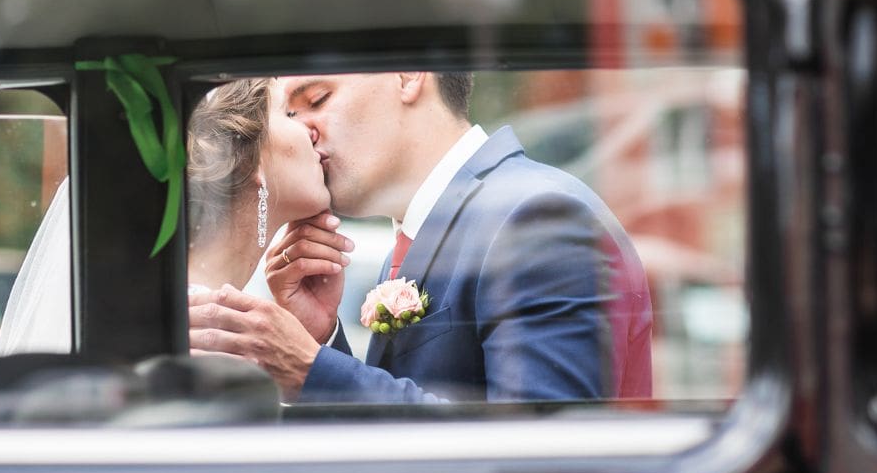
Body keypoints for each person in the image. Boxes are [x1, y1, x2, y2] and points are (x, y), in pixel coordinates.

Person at [189, 71, 653, 402]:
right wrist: (325, 340)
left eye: (317, 99)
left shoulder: (536, 219)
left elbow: (540, 460)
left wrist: (312, 369)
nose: (304, 130)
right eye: (289, 113)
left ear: (409, 75)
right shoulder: (423, 236)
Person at [0, 78, 331, 354]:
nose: (311, 130)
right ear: (249, 158)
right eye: (288, 114)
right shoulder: (210, 341)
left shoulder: (200, 323)